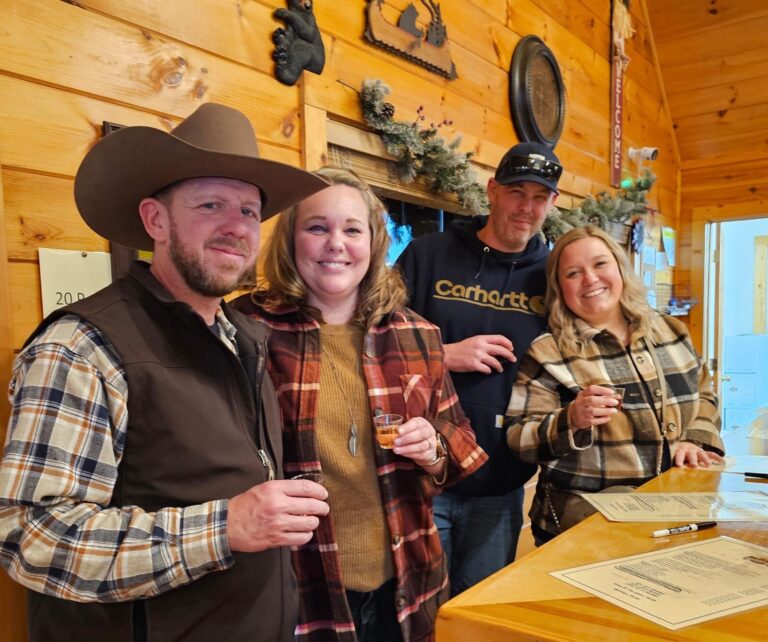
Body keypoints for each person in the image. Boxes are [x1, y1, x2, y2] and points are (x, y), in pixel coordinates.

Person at [0, 103, 332, 642]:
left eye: (249, 212)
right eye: (211, 205)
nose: (236, 227)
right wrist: (225, 526)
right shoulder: (81, 346)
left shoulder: (243, 336)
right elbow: (32, 539)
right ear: (155, 219)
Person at [232, 167, 488, 642]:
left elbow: (460, 443)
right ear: (290, 240)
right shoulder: (245, 329)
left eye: (353, 229)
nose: (336, 243)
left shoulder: (417, 333)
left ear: (374, 244)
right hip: (296, 585)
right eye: (317, 227)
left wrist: (434, 447)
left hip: (408, 580)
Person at [396, 142, 561, 594]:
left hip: (501, 484)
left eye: (539, 197)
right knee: (419, 614)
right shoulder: (427, 255)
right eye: (516, 192)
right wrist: (443, 354)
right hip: (423, 478)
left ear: (553, 203)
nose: (526, 207)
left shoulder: (553, 275)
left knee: (478, 614)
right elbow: (372, 340)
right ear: (492, 190)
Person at [506, 225, 724, 544]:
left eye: (599, 264)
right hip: (586, 528)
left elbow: (705, 392)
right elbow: (517, 437)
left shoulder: (670, 330)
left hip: (680, 511)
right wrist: (571, 420)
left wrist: (696, 440)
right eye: (573, 273)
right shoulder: (548, 351)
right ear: (558, 287)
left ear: (620, 267)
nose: (590, 280)